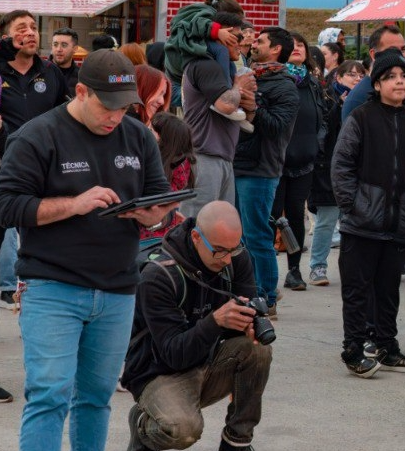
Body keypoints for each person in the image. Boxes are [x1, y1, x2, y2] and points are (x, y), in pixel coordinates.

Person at [0, 50, 172, 451]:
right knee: (49, 396)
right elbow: (7, 206)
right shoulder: (38, 135)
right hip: (52, 287)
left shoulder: (137, 135)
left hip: (118, 289)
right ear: (80, 92)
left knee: (96, 399)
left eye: (124, 107)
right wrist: (73, 204)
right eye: (107, 107)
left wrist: (154, 215)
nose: (115, 117)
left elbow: (159, 194)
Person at [121, 201, 272, 451]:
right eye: (219, 251)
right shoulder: (159, 276)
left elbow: (241, 326)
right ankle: (143, 422)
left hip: (205, 359)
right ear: (196, 237)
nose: (227, 259)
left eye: (233, 249)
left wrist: (247, 324)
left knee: (258, 349)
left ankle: (236, 443)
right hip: (159, 371)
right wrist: (215, 321)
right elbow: (174, 355)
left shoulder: (236, 257)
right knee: (182, 431)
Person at [331, 50, 405, 375]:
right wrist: (353, 207)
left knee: (388, 290)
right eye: (390, 77)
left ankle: (387, 346)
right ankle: (354, 349)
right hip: (362, 223)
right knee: (357, 291)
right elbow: (342, 166)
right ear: (377, 84)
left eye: (404, 76)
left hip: (401, 223)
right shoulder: (361, 117)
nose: (399, 82)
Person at [232, 26, 300, 316]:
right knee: (240, 237)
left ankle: (267, 296)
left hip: (261, 169)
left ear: (276, 49)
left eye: (260, 41)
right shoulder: (250, 75)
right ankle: (249, 292)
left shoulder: (285, 86)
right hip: (240, 163)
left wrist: (255, 107)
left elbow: (277, 128)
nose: (254, 43)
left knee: (258, 236)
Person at [179, 11, 253, 218]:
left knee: (217, 226)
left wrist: (250, 105)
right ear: (223, 35)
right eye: (238, 36)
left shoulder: (222, 67)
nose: (242, 42)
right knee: (195, 223)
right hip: (204, 157)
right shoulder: (206, 65)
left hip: (220, 157)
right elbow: (226, 105)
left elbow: (242, 115)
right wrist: (238, 86)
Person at [276, 32, 327, 292]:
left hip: (305, 160)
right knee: (272, 217)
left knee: (296, 216)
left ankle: (294, 270)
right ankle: (265, 273)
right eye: (292, 45)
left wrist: (317, 144)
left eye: (301, 45)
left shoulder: (313, 83)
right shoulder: (274, 78)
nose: (297, 48)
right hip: (275, 161)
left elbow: (323, 118)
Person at [307, 59, 364, 287]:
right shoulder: (327, 97)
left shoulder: (364, 100)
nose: (357, 79)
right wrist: (339, 106)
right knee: (326, 220)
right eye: (351, 74)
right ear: (338, 77)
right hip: (327, 170)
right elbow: (322, 130)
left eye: (360, 75)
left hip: (355, 170)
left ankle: (354, 268)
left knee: (355, 223)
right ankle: (317, 266)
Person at [1, 9, 72, 153]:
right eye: (22, 29)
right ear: (5, 39)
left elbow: (67, 115)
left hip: (45, 158)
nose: (31, 32)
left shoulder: (51, 71)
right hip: (6, 158)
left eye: (34, 28)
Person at [138, 112, 197, 252]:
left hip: (148, 238)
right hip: (168, 236)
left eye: (151, 130)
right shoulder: (182, 165)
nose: (145, 132)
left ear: (164, 140)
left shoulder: (160, 169)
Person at [342, 23, 405, 121]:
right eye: (392, 50)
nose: (400, 55)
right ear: (373, 54)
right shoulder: (357, 99)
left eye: (403, 49)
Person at [48, 26, 81, 92]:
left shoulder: (81, 76)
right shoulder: (39, 72)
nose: (59, 49)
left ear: (75, 49)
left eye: (64, 45)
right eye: (55, 45)